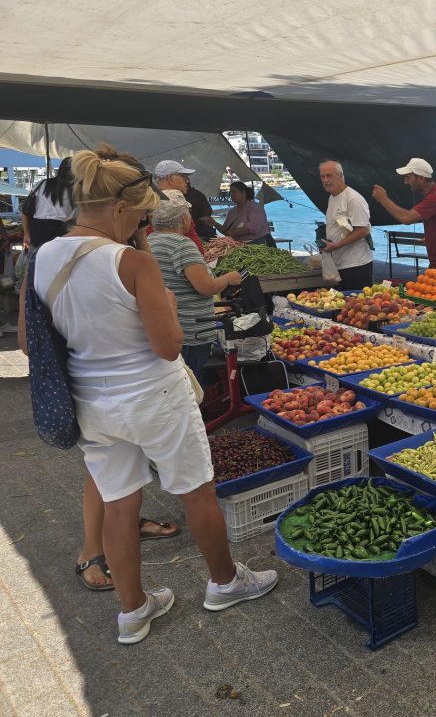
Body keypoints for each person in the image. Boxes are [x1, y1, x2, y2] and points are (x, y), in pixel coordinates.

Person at [18, 147, 277, 644]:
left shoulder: (42, 257)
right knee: (196, 488)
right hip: (155, 396)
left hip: (91, 402)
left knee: (118, 504)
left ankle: (133, 612)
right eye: (138, 215)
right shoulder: (131, 260)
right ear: (118, 209)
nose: (140, 225)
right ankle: (225, 582)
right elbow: (168, 344)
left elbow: (32, 344)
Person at [149, 196, 242, 381]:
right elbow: (206, 287)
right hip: (192, 330)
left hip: (169, 325)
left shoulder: (150, 241)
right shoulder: (182, 245)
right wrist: (228, 279)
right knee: (194, 381)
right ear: (184, 218)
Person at [371, 157, 436, 284]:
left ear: (420, 178)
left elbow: (406, 218)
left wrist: (383, 199)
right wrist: (433, 238)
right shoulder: (434, 195)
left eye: (408, 177)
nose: (405, 182)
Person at [319, 160, 374, 290]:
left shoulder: (353, 198)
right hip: (340, 264)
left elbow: (363, 230)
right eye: (322, 176)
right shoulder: (332, 197)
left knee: (358, 307)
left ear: (340, 176)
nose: (325, 180)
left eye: (329, 175)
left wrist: (336, 245)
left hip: (356, 265)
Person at [22, 157, 74, 249]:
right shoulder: (75, 189)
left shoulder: (40, 184)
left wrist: (26, 234)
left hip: (37, 231)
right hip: (60, 231)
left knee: (39, 260)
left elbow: (25, 211)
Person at [154, 160, 205, 254]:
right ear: (170, 178)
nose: (187, 180)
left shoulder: (172, 201)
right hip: (183, 263)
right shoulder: (158, 205)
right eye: (183, 176)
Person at [219, 181, 273, 245]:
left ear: (243, 193)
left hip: (258, 243)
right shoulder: (231, 212)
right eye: (230, 192)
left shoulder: (254, 207)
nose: (231, 195)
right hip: (239, 245)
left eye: (234, 192)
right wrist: (214, 223)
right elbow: (226, 230)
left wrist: (234, 232)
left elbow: (254, 228)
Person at [184, 177, 216, 242]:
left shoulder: (196, 195)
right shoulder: (180, 195)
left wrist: (199, 221)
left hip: (201, 233)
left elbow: (208, 212)